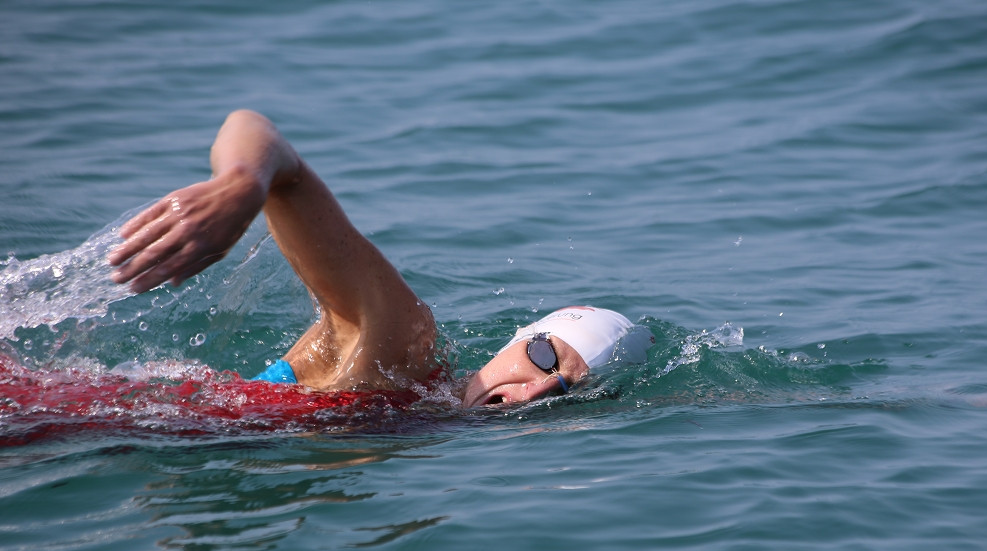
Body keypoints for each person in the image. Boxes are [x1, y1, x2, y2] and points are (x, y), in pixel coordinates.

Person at [109, 110, 652, 409]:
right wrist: (243, 184)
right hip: (60, 419)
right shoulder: (403, 350)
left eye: (567, 394)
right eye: (543, 357)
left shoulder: (428, 424)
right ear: (520, 337)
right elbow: (260, 135)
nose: (535, 391)